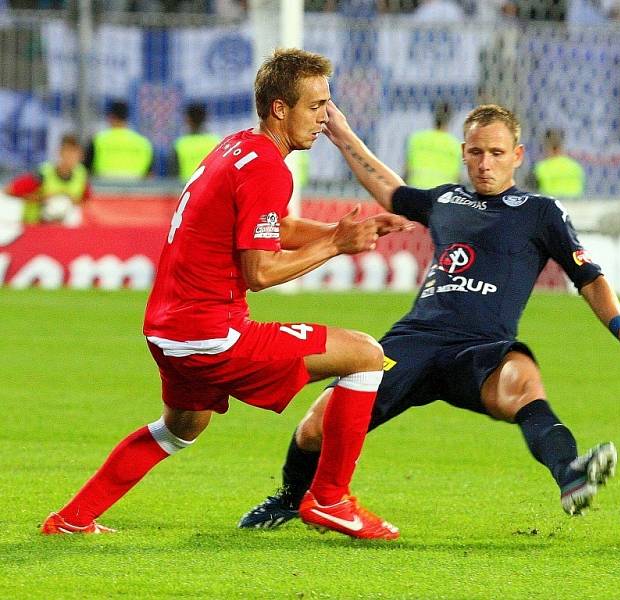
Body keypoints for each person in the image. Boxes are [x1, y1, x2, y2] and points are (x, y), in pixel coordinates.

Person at [238, 102, 620, 530]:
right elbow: (391, 191)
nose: (485, 164)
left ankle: (570, 474)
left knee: (523, 384)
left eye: (497, 153)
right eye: (477, 153)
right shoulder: (446, 199)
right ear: (464, 152)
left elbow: (588, 277)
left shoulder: (540, 213)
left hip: (481, 347)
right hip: (416, 339)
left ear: (517, 156)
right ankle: (291, 500)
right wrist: (343, 135)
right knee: (316, 427)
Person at [41, 48, 411, 540]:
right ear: (280, 108)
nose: (326, 117)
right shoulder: (267, 168)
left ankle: (70, 519)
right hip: (212, 331)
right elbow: (259, 271)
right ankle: (330, 499)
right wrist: (336, 245)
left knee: (179, 429)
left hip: (166, 330)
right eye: (316, 105)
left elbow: (272, 226)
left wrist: (346, 232)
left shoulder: (237, 147)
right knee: (365, 355)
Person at [4, 133, 90, 227]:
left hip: (63, 226)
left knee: (69, 208)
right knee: (57, 203)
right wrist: (43, 198)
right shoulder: (43, 174)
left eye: (75, 154)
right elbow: (9, 191)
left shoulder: (81, 175)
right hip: (35, 224)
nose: (72, 158)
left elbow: (86, 200)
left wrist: (70, 198)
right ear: (60, 153)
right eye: (68, 153)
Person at [84, 100, 154, 179]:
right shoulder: (143, 143)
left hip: (103, 189)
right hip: (136, 189)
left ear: (111, 117)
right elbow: (149, 176)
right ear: (127, 118)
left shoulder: (98, 140)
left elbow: (85, 172)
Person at [404, 101, 462, 188]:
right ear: (451, 119)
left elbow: (407, 169)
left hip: (417, 190)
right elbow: (457, 176)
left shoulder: (416, 138)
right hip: (442, 194)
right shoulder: (455, 144)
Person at [172, 103, 221, 183]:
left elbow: (173, 176)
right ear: (205, 118)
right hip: (211, 189)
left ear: (188, 119)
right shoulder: (216, 142)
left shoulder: (180, 144)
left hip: (186, 190)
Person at [531, 128, 585, 198]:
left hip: (549, 204)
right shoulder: (576, 166)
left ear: (547, 146)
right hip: (576, 204)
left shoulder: (540, 168)